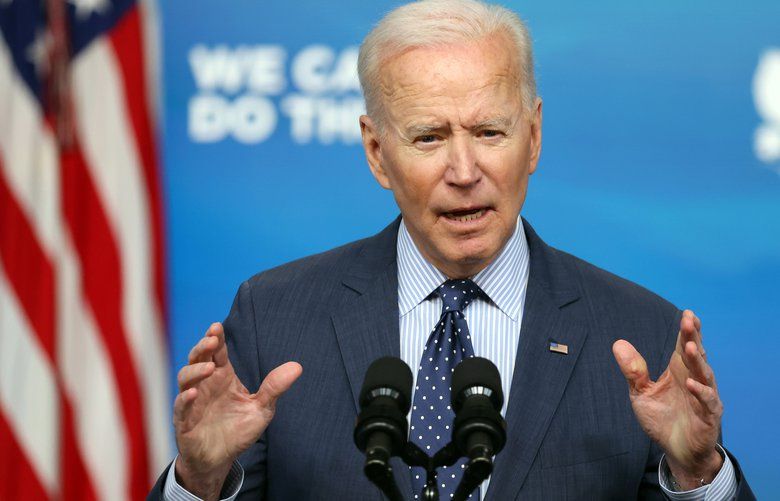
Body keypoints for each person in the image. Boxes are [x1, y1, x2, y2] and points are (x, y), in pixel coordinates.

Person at [150, 1, 754, 499]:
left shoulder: (638, 334)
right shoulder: (272, 317)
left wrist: (697, 475)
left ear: (534, 137)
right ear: (377, 152)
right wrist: (200, 479)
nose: (464, 171)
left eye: (490, 132)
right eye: (429, 136)